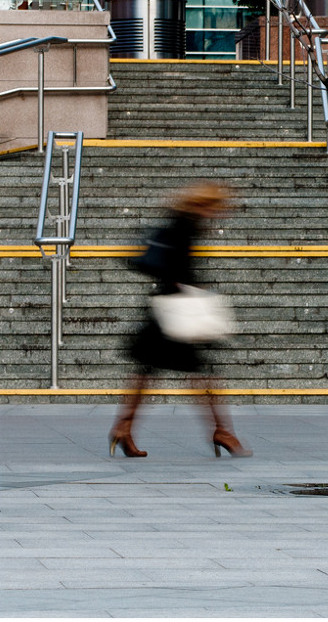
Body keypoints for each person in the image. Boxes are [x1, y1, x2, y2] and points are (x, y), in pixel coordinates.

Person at [109, 180, 252, 458]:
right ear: (202, 205)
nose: (219, 213)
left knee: (146, 372)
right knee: (199, 374)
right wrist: (194, 292)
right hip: (175, 314)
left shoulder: (181, 223)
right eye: (216, 207)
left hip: (166, 310)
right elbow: (176, 267)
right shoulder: (184, 226)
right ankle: (222, 431)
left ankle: (123, 428)